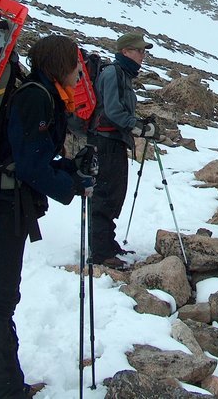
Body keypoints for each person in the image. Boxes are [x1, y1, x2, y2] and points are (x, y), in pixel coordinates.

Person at [0, 35, 95, 398]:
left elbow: (36, 157)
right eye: (76, 64)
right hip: (3, 206)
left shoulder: (45, 95)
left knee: (3, 299)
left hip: (10, 202)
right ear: (59, 64)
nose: (80, 72)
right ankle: (6, 389)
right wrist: (70, 186)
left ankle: (9, 385)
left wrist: (69, 169)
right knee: (0, 303)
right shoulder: (35, 97)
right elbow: (29, 164)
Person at [88, 31, 158, 268]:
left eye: (144, 51)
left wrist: (137, 124)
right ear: (125, 51)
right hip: (106, 141)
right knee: (106, 194)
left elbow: (119, 110)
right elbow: (113, 111)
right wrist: (138, 127)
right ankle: (100, 252)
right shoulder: (113, 73)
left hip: (114, 140)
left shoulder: (123, 75)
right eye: (139, 50)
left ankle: (107, 244)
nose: (143, 55)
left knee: (115, 193)